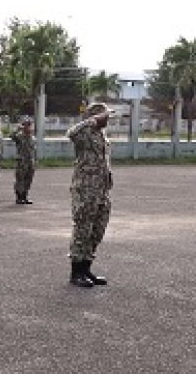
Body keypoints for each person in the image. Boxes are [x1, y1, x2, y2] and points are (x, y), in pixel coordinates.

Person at [66, 103, 113, 288]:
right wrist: (90, 121)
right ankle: (76, 272)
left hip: (101, 191)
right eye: (105, 116)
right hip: (85, 191)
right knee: (82, 230)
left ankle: (86, 268)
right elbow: (71, 133)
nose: (108, 119)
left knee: (97, 231)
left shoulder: (101, 135)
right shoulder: (84, 134)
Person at [12, 118, 37, 205]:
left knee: (28, 179)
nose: (29, 128)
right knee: (20, 180)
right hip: (22, 162)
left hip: (30, 161)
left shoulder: (32, 138)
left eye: (30, 125)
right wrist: (18, 128)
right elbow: (12, 136)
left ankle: (25, 196)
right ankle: (19, 197)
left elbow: (34, 151)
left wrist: (35, 160)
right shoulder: (19, 136)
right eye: (27, 125)